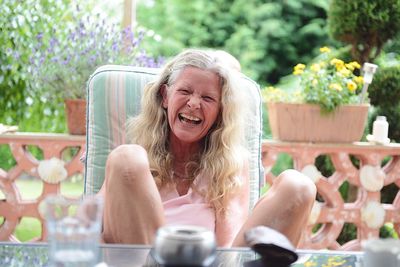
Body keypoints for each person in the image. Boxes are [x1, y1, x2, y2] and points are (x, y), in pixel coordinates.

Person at [98, 49, 316, 247]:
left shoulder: (229, 165)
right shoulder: (133, 163)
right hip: (143, 262)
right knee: (126, 157)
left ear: (220, 111)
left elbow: (228, 248)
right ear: (165, 96)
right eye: (185, 91)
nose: (194, 103)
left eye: (207, 98)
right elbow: (90, 225)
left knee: (298, 186)